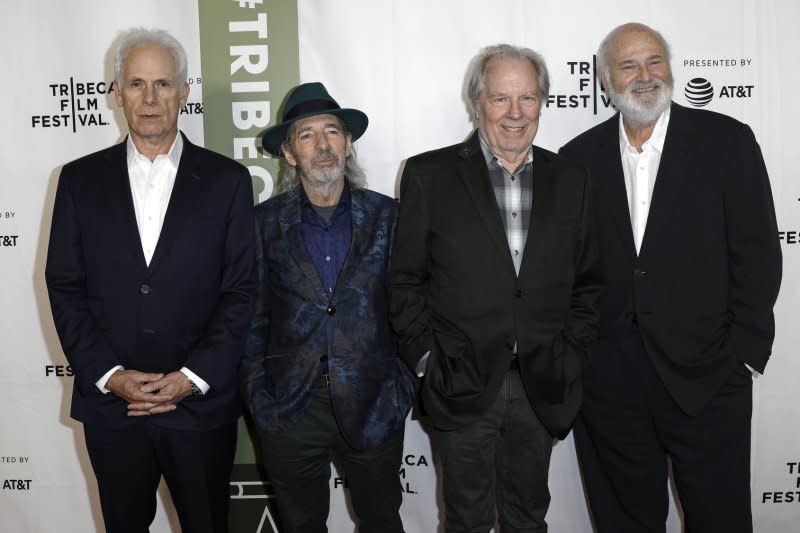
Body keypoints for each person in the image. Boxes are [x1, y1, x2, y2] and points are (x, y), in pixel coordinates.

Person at [559, 22, 781, 533]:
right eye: (628, 65)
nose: (645, 75)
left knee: (720, 518)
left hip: (708, 375)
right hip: (609, 385)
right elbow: (569, 273)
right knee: (625, 522)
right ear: (603, 79)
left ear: (671, 67)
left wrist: (740, 352)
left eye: (654, 61)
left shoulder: (726, 141)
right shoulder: (576, 160)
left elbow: (759, 254)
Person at [45, 28, 256, 533]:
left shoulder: (228, 182)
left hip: (200, 409)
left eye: (163, 84)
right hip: (113, 410)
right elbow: (65, 288)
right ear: (116, 93)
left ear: (184, 92)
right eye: (137, 84)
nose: (150, 98)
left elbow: (242, 291)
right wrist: (110, 376)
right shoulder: (78, 181)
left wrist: (192, 378)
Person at [390, 44, 601, 532]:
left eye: (528, 98)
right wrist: (427, 361)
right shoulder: (429, 174)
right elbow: (405, 281)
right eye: (501, 98)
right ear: (477, 101)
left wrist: (570, 356)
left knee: (529, 518)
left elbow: (588, 283)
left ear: (542, 103)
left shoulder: (572, 180)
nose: (515, 113)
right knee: (466, 520)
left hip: (541, 382)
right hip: (460, 382)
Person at [240, 82, 415, 533]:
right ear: (289, 153)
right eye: (307, 135)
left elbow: (413, 307)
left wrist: (402, 386)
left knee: (382, 521)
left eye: (332, 132)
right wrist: (260, 394)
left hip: (374, 401)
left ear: (348, 143)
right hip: (291, 408)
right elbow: (251, 319)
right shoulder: (261, 225)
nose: (322, 145)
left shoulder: (390, 217)